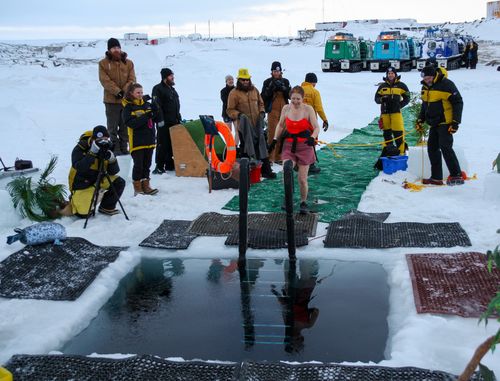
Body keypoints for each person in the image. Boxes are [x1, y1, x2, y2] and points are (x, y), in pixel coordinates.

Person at [269, 86, 320, 213]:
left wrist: (312, 137)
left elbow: (316, 127)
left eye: (298, 99)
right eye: (293, 99)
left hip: (305, 146)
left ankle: (303, 202)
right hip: (289, 145)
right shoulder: (286, 108)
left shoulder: (308, 109)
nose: (295, 101)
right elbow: (280, 125)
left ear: (303, 99)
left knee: (302, 179)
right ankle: (288, 198)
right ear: (290, 98)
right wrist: (275, 139)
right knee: (287, 170)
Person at [417, 65, 464, 186]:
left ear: (434, 75)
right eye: (425, 78)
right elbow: (425, 105)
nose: (427, 80)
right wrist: (420, 119)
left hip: (446, 122)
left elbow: (458, 102)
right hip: (434, 123)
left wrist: (455, 122)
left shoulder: (446, 84)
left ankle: (456, 175)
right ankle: (436, 177)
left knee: (445, 147)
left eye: (429, 78)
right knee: (432, 149)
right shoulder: (425, 87)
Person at [226, 68, 276, 179]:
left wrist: (262, 113)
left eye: (247, 79)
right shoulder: (233, 93)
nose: (245, 82)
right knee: (246, 148)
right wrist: (239, 115)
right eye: (243, 80)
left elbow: (261, 104)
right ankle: (247, 173)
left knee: (261, 145)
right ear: (239, 80)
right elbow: (229, 110)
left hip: (256, 125)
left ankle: (266, 170)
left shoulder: (255, 90)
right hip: (244, 127)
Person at [68, 125, 126, 217]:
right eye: (99, 141)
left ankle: (106, 207)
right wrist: (92, 153)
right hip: (82, 184)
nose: (103, 143)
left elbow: (113, 172)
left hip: (99, 180)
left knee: (119, 182)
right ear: (92, 139)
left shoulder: (107, 147)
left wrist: (112, 159)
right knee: (84, 214)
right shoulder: (80, 148)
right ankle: (75, 199)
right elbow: (80, 167)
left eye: (105, 140)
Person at [122, 83, 163, 196]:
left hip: (149, 140)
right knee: (138, 165)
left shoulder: (147, 105)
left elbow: (157, 119)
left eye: (141, 92)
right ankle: (137, 187)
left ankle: (146, 185)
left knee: (147, 164)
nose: (140, 95)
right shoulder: (128, 107)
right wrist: (147, 115)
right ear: (131, 93)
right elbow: (132, 123)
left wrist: (157, 109)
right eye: (138, 92)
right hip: (137, 141)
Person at [98, 38, 136, 155]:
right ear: (109, 49)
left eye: (118, 47)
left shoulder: (128, 63)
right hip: (111, 101)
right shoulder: (103, 64)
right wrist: (117, 91)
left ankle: (125, 149)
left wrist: (124, 92)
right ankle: (115, 149)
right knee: (112, 128)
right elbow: (105, 80)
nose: (117, 50)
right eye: (114, 48)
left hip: (125, 101)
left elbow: (132, 79)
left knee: (125, 127)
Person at [374, 67, 410, 155]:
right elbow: (376, 98)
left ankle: (401, 152)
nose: (390, 75)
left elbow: (407, 97)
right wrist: (382, 99)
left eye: (392, 73)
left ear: (395, 74)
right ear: (387, 75)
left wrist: (400, 105)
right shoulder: (382, 86)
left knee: (398, 132)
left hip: (396, 113)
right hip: (385, 113)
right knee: (387, 133)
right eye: (389, 74)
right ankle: (389, 151)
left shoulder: (402, 85)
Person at [152, 68, 181, 174]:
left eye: (172, 75)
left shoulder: (172, 90)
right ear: (165, 77)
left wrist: (179, 118)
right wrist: (160, 119)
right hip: (163, 122)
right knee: (162, 143)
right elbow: (157, 105)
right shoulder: (158, 89)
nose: (172, 77)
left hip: (174, 121)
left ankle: (169, 164)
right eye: (170, 76)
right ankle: (159, 166)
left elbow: (176, 106)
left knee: (171, 144)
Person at [261, 61, 291, 163]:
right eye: (274, 71)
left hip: (284, 110)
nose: (276, 73)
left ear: (281, 71)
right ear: (272, 71)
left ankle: (279, 156)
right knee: (272, 133)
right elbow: (263, 97)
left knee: (283, 133)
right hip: (272, 110)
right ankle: (270, 157)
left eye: (278, 71)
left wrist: (284, 89)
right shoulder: (267, 82)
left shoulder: (286, 81)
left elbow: (290, 96)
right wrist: (271, 88)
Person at [301, 73, 328, 174]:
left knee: (300, 141)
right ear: (313, 82)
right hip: (310, 122)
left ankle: (300, 163)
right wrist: (325, 120)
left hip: (297, 120)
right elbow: (319, 108)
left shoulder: (298, 90)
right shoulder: (314, 92)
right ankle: (310, 165)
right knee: (312, 141)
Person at [220, 75, 238, 145]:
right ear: (226, 81)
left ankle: (235, 146)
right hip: (226, 113)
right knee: (228, 131)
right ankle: (229, 146)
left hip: (235, 113)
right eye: (229, 80)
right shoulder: (223, 91)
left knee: (238, 130)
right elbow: (225, 101)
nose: (231, 81)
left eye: (232, 79)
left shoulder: (237, 89)